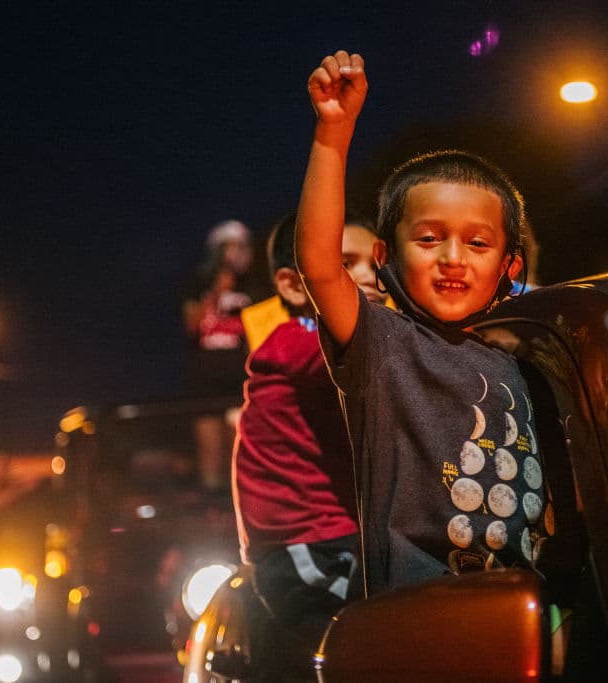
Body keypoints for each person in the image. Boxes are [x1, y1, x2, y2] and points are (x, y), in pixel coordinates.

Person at [295, 50, 549, 595]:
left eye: (478, 243)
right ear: (385, 256)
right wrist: (333, 132)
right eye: (429, 238)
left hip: (513, 623)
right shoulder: (382, 344)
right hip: (414, 626)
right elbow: (319, 263)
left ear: (510, 267)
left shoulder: (524, 368)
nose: (453, 257)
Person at [231, 209, 383, 670]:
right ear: (294, 286)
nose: (369, 276)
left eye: (377, 263)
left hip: (328, 542)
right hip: (309, 551)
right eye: (346, 263)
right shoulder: (299, 341)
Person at [178, 219, 260, 493]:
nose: (238, 253)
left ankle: (238, 503)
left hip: (240, 381)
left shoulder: (252, 286)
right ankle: (212, 507)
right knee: (210, 451)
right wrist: (216, 291)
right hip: (206, 383)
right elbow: (191, 326)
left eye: (243, 246)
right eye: (232, 246)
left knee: (240, 450)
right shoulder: (197, 285)